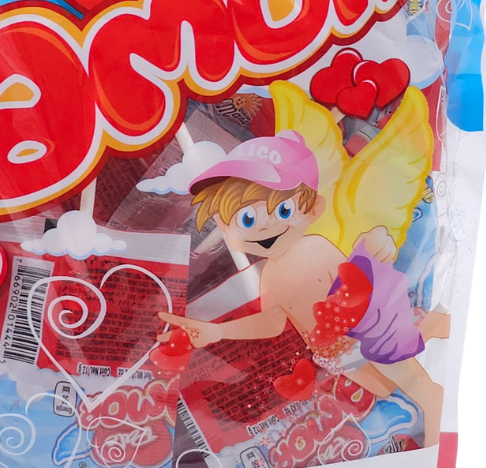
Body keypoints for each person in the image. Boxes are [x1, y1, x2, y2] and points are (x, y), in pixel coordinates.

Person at [158, 130, 449, 445]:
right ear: (225, 230)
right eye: (246, 219)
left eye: (283, 210)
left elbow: (357, 281)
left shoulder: (315, 247)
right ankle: (429, 327)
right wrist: (218, 332)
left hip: (365, 331)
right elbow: (273, 321)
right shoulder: (269, 276)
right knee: (384, 388)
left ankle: (435, 417)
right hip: (333, 353)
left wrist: (374, 252)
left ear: (313, 209)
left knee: (413, 382)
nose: (265, 226)